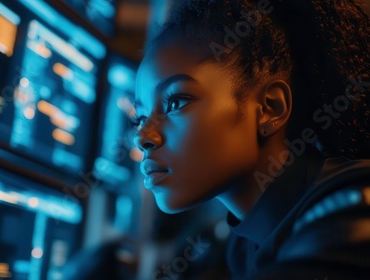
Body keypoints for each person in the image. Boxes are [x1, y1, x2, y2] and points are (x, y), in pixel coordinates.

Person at [133, 0, 370, 279]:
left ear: (270, 108)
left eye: (176, 102)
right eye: (139, 118)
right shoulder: (243, 247)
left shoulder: (354, 204)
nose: (143, 137)